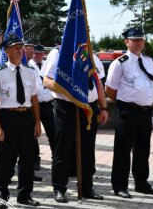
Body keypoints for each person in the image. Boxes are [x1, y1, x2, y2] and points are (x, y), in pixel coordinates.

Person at [43, 46, 109, 203]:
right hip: (66, 106)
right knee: (63, 149)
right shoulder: (58, 52)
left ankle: (87, 187)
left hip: (88, 107)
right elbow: (46, 80)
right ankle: (59, 188)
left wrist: (103, 107)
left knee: (87, 149)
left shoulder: (91, 54)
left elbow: (97, 82)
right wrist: (66, 90)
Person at [0, 33, 41, 208]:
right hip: (7, 117)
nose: (20, 50)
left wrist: (37, 122)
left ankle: (24, 195)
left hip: (26, 117)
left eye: (21, 47)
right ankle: (2, 195)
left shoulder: (30, 72)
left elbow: (34, 99)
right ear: (7, 51)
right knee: (5, 159)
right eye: (16, 48)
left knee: (27, 158)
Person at [105, 27, 153, 198]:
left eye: (140, 40)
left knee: (143, 149)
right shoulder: (120, 63)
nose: (138, 43)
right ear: (126, 42)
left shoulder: (149, 61)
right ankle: (120, 185)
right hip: (127, 111)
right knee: (123, 149)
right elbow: (110, 89)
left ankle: (141, 183)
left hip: (146, 111)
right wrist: (125, 102)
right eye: (134, 39)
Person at [28, 44, 55, 163]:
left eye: (41, 53)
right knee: (34, 134)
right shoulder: (28, 66)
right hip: (34, 105)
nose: (38, 55)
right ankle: (35, 160)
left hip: (48, 103)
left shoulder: (48, 65)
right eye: (36, 53)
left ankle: (56, 157)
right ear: (33, 53)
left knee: (53, 132)